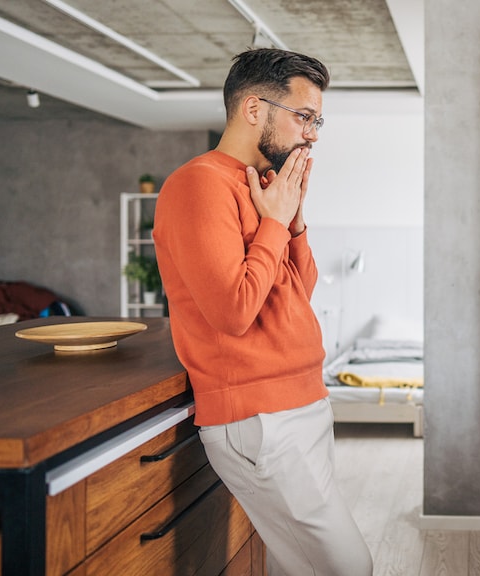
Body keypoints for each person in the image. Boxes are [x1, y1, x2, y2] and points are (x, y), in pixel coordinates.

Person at [153, 48, 372, 576]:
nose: (313, 134)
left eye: (317, 121)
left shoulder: (265, 186)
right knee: (350, 567)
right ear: (254, 109)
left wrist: (292, 220)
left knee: (297, 565)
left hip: (301, 403)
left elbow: (299, 290)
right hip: (260, 418)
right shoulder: (198, 183)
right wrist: (273, 223)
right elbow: (233, 311)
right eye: (304, 117)